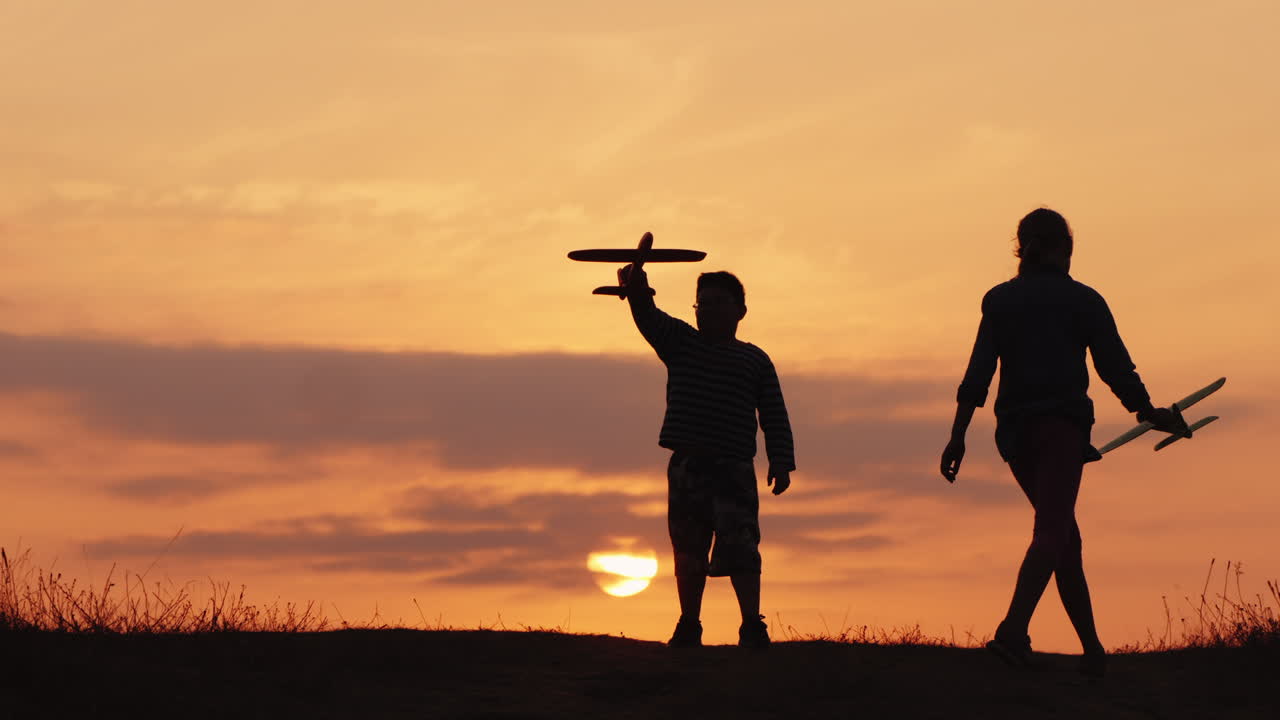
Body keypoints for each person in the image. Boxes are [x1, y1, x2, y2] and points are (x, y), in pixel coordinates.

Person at [940, 208, 1187, 678]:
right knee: (1053, 533)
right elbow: (1115, 366)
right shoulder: (1084, 301)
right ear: (1065, 249)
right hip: (1061, 430)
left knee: (1064, 537)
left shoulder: (999, 300)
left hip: (1014, 436)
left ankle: (1093, 651)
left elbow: (978, 374)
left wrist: (957, 435)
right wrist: (1146, 410)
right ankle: (1013, 632)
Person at [620, 261, 795, 649]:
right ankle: (689, 623)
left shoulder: (755, 360)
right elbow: (648, 316)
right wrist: (636, 286)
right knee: (687, 547)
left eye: (718, 303)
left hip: (734, 468)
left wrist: (781, 460)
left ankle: (752, 625)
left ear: (740, 311)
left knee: (742, 545)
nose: (709, 311)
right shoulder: (681, 343)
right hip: (688, 465)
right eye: (702, 304)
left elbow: (774, 413)